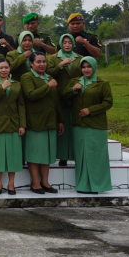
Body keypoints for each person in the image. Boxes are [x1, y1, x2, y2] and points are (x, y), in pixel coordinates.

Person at [64, 56, 113, 194]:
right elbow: (63, 97)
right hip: (79, 125)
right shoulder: (75, 82)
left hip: (96, 125)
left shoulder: (102, 83)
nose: (86, 69)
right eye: (84, 67)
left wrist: (90, 110)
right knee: (81, 156)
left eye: (89, 66)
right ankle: (83, 186)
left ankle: (97, 186)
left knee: (96, 156)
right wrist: (73, 90)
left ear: (94, 67)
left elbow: (108, 103)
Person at [21, 51, 64, 194]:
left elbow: (56, 101)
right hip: (35, 120)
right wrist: (48, 86)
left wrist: (60, 119)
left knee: (47, 153)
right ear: (31, 63)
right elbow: (30, 95)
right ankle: (35, 182)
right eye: (38, 62)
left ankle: (45, 182)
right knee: (35, 153)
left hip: (50, 120)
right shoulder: (27, 77)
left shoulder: (49, 77)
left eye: (44, 61)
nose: (42, 64)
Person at [0, 57, 25, 195]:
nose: (3, 70)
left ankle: (11, 184)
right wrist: (2, 87)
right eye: (1, 67)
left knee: (13, 155)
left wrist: (22, 124)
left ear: (10, 69)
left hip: (13, 123)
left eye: (6, 67)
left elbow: (20, 105)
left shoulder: (17, 84)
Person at [47, 34, 83, 166]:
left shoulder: (80, 58)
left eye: (70, 42)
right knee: (61, 126)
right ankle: (62, 156)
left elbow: (84, 73)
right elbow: (48, 73)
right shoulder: (53, 58)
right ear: (61, 44)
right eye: (64, 42)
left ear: (74, 44)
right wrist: (61, 65)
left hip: (75, 95)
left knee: (74, 126)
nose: (67, 44)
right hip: (59, 95)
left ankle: (75, 154)